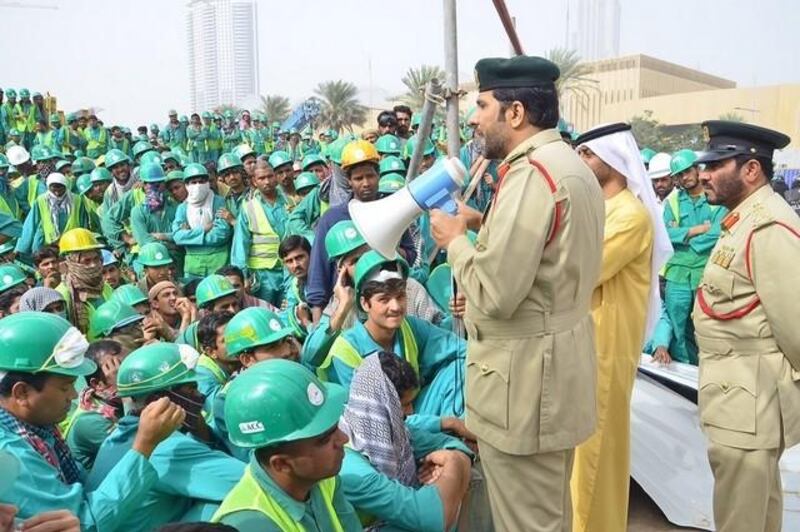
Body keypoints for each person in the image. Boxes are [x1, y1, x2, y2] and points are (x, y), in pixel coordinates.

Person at [428, 55, 605, 532]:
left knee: (527, 522)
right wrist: (482, 224)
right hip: (550, 375)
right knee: (548, 515)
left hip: (524, 386)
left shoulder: (532, 174)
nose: (472, 117)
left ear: (515, 113)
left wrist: (455, 241)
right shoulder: (567, 163)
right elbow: (550, 253)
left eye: (481, 105)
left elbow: (496, 292)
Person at [693, 121, 800, 532]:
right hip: (736, 398)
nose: (704, 174)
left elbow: (794, 327)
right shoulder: (743, 221)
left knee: (742, 518)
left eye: (717, 164)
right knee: (756, 515)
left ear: (751, 170)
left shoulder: (768, 226)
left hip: (750, 402)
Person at [572, 122, 672, 532]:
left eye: (588, 155)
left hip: (606, 351)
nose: (581, 162)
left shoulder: (630, 216)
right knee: (583, 457)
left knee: (594, 458)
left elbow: (581, 272)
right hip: (587, 348)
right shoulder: (603, 210)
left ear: (613, 161)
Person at [0, 312, 185, 529]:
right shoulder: (10, 456)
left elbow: (81, 487)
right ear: (21, 393)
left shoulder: (37, 430)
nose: (73, 395)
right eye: (64, 386)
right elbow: (83, 523)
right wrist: (144, 446)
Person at [88, 342, 246, 531]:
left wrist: (199, 426)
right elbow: (249, 483)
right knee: (236, 509)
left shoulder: (120, 433)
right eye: (191, 389)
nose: (199, 395)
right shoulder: (167, 447)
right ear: (158, 401)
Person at [211, 359, 361, 531]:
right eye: (325, 439)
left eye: (336, 429)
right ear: (281, 464)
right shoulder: (251, 524)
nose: (343, 439)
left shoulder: (321, 477)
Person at [339, 352, 473, 531]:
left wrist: (451, 462)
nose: (410, 412)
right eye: (403, 405)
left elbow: (454, 445)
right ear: (382, 408)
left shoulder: (395, 432)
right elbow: (430, 519)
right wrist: (452, 463)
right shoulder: (350, 468)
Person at [306, 140, 416, 323]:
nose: (366, 183)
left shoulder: (391, 209)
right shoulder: (332, 218)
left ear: (379, 175)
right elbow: (319, 273)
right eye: (358, 178)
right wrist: (318, 328)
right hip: (349, 308)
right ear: (348, 181)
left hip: (388, 302)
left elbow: (410, 255)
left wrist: (386, 244)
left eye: (370, 176)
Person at [658, 148, 726, 365]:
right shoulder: (673, 202)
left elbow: (718, 231)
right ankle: (684, 367)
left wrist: (684, 239)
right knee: (676, 321)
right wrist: (696, 230)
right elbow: (665, 234)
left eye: (687, 171)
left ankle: (705, 367)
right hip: (677, 273)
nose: (684, 177)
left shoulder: (715, 198)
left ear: (698, 169)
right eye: (679, 174)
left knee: (705, 324)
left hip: (705, 273)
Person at [231, 159, 291, 306]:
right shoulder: (248, 206)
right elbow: (240, 244)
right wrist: (242, 276)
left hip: (288, 269)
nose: (267, 181)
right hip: (261, 274)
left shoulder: (289, 201)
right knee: (264, 314)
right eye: (261, 178)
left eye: (270, 176)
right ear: (254, 181)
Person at [60, 340, 125, 470]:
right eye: (120, 371)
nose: (131, 375)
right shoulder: (90, 421)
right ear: (98, 385)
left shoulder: (116, 404)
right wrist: (127, 390)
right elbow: (140, 452)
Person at [172, 163, 232, 278]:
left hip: (219, 262)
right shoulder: (183, 208)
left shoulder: (218, 202)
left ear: (208, 182)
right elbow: (178, 236)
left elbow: (221, 234)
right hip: (193, 267)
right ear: (186, 185)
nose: (198, 185)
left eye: (201, 181)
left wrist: (190, 236)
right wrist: (205, 229)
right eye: (193, 182)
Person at [16, 172, 93, 256]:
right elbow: (30, 224)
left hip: (72, 244)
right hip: (49, 246)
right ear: (48, 187)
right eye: (54, 189)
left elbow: (83, 223)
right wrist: (20, 248)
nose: (57, 193)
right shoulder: (42, 201)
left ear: (65, 186)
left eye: (60, 188)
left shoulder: (76, 200)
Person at [56, 228, 114, 334]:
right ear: (70, 262)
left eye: (96, 259)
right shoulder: (61, 295)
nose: (93, 265)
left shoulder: (105, 287)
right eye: (86, 261)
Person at [130, 163, 183, 276]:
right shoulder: (138, 212)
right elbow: (145, 241)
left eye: (159, 184)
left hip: (176, 260)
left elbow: (183, 235)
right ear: (144, 185)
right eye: (151, 184)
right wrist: (171, 242)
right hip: (150, 260)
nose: (155, 187)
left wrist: (163, 236)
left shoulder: (176, 207)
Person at [286, 153, 333, 243]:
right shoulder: (298, 210)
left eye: (318, 170)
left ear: (327, 170)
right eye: (310, 172)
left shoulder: (332, 192)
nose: (315, 174)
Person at [278, 235, 311, 308]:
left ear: (311, 255)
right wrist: (294, 312)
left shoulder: (324, 280)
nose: (296, 265)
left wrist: (305, 319)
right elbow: (287, 313)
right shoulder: (295, 284)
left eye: (299, 258)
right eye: (289, 261)